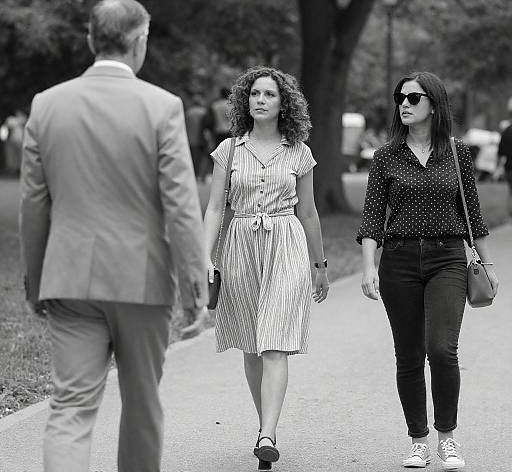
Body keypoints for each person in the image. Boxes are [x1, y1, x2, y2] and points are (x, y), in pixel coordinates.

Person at [19, 0, 207, 472]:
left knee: (70, 407)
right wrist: (193, 284)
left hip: (70, 280)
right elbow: (181, 206)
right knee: (142, 405)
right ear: (140, 41)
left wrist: (37, 279)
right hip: (140, 281)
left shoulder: (46, 105)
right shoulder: (163, 107)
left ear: (90, 39)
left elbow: (34, 206)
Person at [357, 72, 498, 470]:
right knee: (409, 354)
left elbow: (473, 214)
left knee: (441, 348)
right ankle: (418, 440)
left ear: (433, 105)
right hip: (398, 261)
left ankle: (447, 439)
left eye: (413, 98)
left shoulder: (457, 153)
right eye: (400, 97)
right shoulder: (386, 156)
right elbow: (371, 219)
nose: (404, 103)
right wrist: (369, 267)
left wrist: (487, 264)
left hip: (448, 258)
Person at [203, 66, 329, 470]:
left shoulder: (299, 152)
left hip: (286, 243)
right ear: (245, 101)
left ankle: (267, 434)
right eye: (254, 93)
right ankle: (265, 425)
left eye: (269, 95)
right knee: (251, 345)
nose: (260, 100)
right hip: (239, 246)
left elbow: (308, 213)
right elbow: (213, 208)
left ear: (283, 103)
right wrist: (205, 256)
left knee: (274, 340)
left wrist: (319, 265)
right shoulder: (229, 150)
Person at [495, 97, 512, 218]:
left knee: (511, 192)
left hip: (509, 169)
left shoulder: (506, 131)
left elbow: (501, 153)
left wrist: (499, 168)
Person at [184, 93, 208, 181]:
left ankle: (193, 174)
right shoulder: (204, 111)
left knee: (192, 158)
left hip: (190, 138)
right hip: (201, 138)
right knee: (202, 157)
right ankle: (201, 175)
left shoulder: (188, 112)